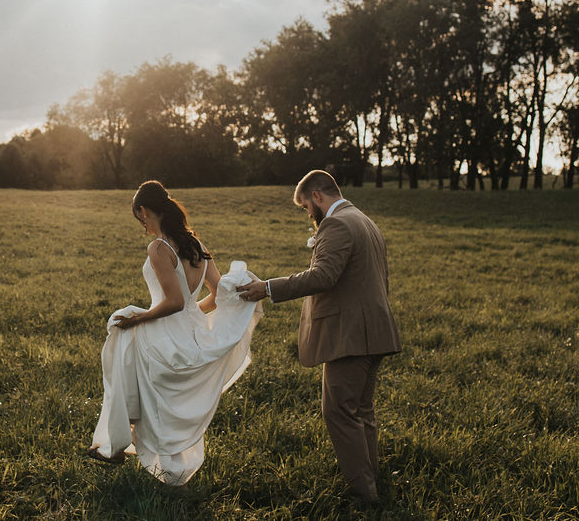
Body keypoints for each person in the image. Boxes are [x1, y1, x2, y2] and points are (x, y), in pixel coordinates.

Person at [237, 170, 401, 505]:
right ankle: (371, 484)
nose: (308, 216)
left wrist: (267, 288)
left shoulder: (337, 224)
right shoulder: (364, 220)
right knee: (361, 410)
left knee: (338, 411)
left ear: (316, 196)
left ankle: (363, 495)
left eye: (305, 208)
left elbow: (323, 275)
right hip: (376, 330)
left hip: (351, 335)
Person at [88, 180, 263, 486]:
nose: (140, 223)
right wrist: (193, 315)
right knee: (136, 375)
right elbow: (214, 294)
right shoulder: (196, 245)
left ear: (143, 211)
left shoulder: (158, 247)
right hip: (191, 329)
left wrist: (140, 317)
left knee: (122, 351)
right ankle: (118, 444)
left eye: (138, 217)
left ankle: (116, 445)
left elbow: (173, 301)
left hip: (166, 332)